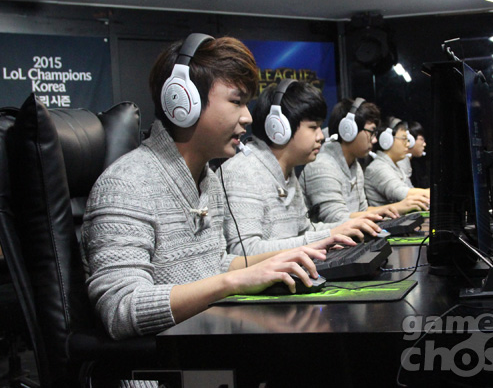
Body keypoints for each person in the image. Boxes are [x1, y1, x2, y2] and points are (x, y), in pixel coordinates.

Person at [80, 34, 353, 341]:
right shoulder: (125, 183)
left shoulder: (207, 178)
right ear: (183, 101)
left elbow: (215, 263)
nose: (247, 117)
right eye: (236, 102)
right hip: (166, 361)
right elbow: (120, 309)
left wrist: (288, 256)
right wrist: (234, 282)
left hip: (210, 339)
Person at [221, 80, 385, 256]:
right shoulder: (242, 171)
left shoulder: (287, 173)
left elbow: (305, 231)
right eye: (313, 127)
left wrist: (346, 227)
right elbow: (245, 251)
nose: (321, 136)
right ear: (279, 127)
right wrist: (329, 236)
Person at [299, 98, 428, 224]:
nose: (374, 140)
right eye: (371, 132)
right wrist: (395, 208)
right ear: (349, 130)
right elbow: (336, 218)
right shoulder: (322, 166)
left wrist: (386, 210)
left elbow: (362, 211)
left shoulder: (355, 166)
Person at [364, 117, 430, 207]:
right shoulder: (377, 168)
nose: (408, 144)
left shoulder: (397, 165)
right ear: (387, 140)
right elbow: (402, 193)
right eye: (404, 139)